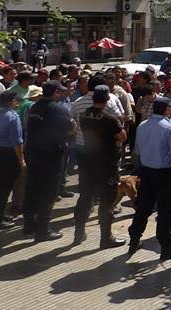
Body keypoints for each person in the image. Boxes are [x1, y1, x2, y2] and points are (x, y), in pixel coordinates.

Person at [127, 97, 171, 261]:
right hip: (164, 173)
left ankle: (134, 238)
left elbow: (137, 150)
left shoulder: (143, 125)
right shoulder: (170, 127)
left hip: (146, 172)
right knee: (165, 211)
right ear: (166, 109)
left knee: (143, 208)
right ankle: (166, 246)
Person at [73, 85, 127, 248]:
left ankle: (79, 232)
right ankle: (106, 237)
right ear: (107, 99)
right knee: (106, 201)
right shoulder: (109, 119)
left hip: (88, 160)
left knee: (85, 197)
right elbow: (122, 136)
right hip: (106, 164)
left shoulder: (83, 115)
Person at [24, 80, 74, 242]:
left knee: (32, 188)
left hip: (32, 152)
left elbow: (27, 125)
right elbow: (71, 128)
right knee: (49, 191)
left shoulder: (34, 107)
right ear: (55, 93)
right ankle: (43, 230)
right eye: (60, 91)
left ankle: (28, 224)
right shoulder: (59, 108)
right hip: (50, 155)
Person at [0, 91, 24, 230]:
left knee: (0, 186)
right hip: (7, 155)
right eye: (15, 100)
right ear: (10, 102)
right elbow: (17, 142)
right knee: (4, 188)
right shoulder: (13, 117)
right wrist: (21, 160)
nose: (17, 103)